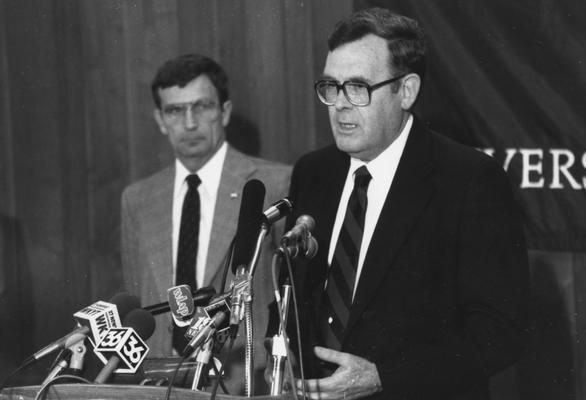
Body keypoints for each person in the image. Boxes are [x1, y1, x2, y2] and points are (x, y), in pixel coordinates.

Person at [272, 8, 529, 400]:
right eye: (330, 86)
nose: (339, 104)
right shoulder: (314, 172)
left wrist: (383, 377)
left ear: (406, 91)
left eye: (357, 87)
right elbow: (291, 295)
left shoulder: (469, 179)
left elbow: (501, 332)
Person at [121, 54, 291, 394]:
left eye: (202, 106)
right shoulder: (137, 199)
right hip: (159, 385)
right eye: (175, 110)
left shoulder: (276, 184)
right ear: (159, 119)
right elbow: (138, 301)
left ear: (224, 111)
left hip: (244, 383)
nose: (189, 122)